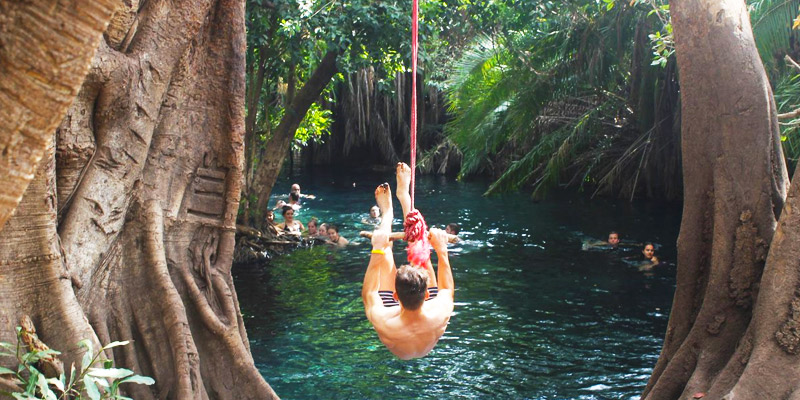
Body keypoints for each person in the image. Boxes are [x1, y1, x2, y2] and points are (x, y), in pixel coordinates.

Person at [361, 163, 454, 360]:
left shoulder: (384, 319)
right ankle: (404, 198)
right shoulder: (440, 311)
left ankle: (387, 214)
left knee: (385, 253)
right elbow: (447, 289)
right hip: (427, 321)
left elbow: (369, 293)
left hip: (396, 326)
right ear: (427, 293)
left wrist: (377, 248)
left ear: (395, 295)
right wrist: (441, 247)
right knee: (419, 253)